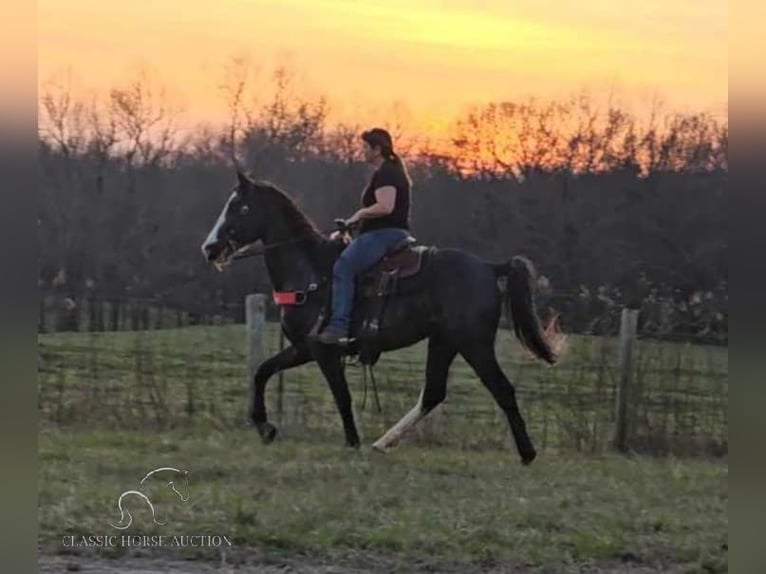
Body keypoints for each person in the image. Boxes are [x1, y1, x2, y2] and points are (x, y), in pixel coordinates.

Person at [312, 128, 413, 344]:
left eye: (365, 147)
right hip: (383, 232)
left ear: (377, 149)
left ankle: (339, 326)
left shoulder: (387, 173)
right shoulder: (389, 171)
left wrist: (359, 214)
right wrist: (350, 227)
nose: (362, 152)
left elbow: (386, 207)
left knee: (343, 268)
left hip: (386, 234)